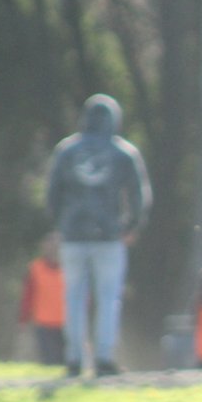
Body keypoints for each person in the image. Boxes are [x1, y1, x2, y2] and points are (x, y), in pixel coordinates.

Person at [46, 94, 152, 378]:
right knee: (108, 298)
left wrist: (59, 224)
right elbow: (139, 194)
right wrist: (131, 226)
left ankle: (74, 359)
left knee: (74, 298)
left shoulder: (66, 151)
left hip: (72, 236)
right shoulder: (123, 152)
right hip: (109, 236)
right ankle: (104, 358)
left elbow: (53, 193)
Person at [17, 232, 66, 365]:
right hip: (44, 324)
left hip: (67, 324)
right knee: (48, 361)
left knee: (65, 362)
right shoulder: (35, 268)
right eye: (50, 244)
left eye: (58, 245)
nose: (54, 248)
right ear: (43, 246)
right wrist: (23, 319)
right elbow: (28, 296)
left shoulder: (72, 270)